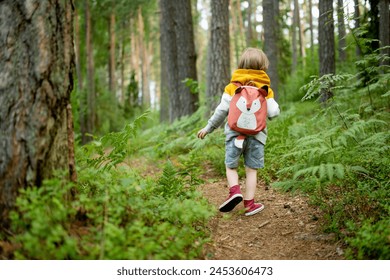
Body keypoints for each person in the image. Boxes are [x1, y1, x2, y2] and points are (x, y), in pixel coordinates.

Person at [197, 48, 280, 216]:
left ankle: (235, 191)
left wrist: (208, 128)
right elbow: (273, 113)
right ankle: (249, 204)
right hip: (257, 137)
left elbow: (221, 111)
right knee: (251, 169)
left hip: (234, 135)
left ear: (241, 65)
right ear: (263, 67)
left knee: (231, 166)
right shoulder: (266, 89)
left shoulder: (232, 87)